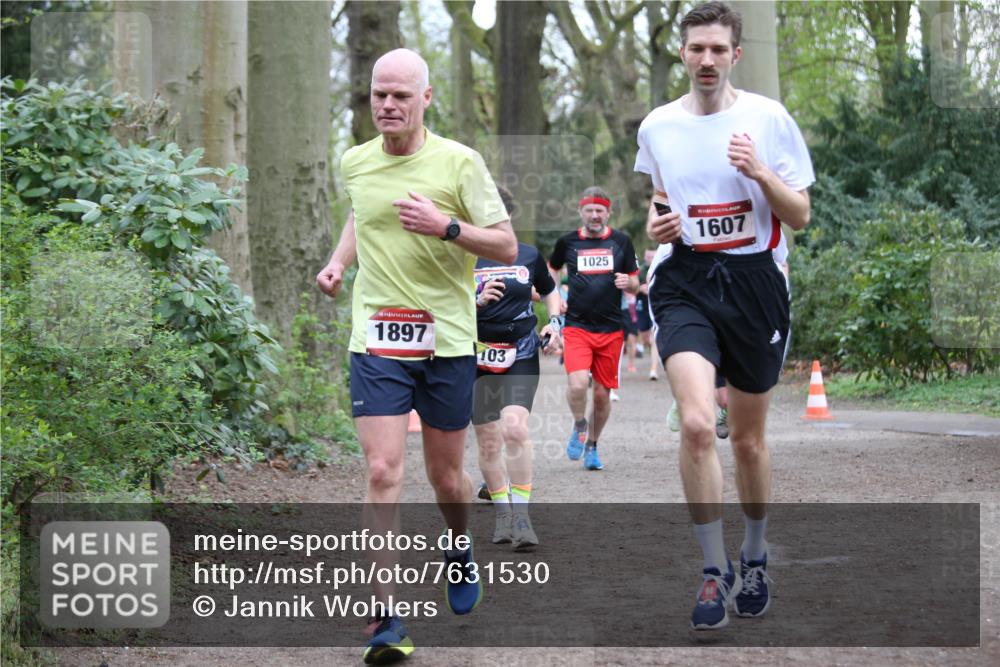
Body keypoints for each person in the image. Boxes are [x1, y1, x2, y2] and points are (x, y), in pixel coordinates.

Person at [316, 48, 517, 664]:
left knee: (447, 479)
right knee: (382, 471)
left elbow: (507, 245)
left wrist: (447, 228)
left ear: (426, 98)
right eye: (379, 94)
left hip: (447, 342)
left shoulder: (460, 163)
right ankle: (387, 617)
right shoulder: (355, 161)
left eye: (401, 94)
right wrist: (339, 261)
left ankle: (458, 546)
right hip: (376, 338)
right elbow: (362, 213)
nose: (388, 104)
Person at [634, 2, 814, 631]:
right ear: (681, 54)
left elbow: (799, 216)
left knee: (747, 439)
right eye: (696, 49)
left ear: (735, 54)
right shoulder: (656, 126)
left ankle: (756, 555)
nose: (706, 59)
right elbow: (660, 203)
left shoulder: (767, 118)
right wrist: (656, 225)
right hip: (683, 277)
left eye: (718, 49)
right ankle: (714, 573)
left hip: (755, 282)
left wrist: (759, 170)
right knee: (692, 421)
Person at [473, 185, 563, 551]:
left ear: (508, 216)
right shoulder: (461, 256)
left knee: (514, 428)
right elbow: (440, 302)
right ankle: (503, 512)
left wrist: (554, 323)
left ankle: (523, 517)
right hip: (473, 353)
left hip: (521, 349)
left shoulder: (527, 255)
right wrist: (474, 302)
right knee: (489, 438)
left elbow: (551, 289)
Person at [549, 187, 640, 471]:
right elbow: (551, 269)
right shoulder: (567, 242)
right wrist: (557, 296)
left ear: (608, 212)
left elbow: (636, 283)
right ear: (581, 212)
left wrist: (629, 283)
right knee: (577, 384)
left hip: (611, 329)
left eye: (600, 210)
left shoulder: (621, 242)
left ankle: (593, 445)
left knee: (601, 395)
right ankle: (579, 425)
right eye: (589, 210)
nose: (595, 215)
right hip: (577, 326)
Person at [637, 248, 660, 381]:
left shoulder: (661, 265)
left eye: (653, 256)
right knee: (645, 338)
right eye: (648, 256)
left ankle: (654, 369)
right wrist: (640, 288)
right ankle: (655, 355)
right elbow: (633, 287)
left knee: (654, 338)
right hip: (642, 303)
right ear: (645, 257)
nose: (650, 258)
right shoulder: (640, 270)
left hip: (656, 303)